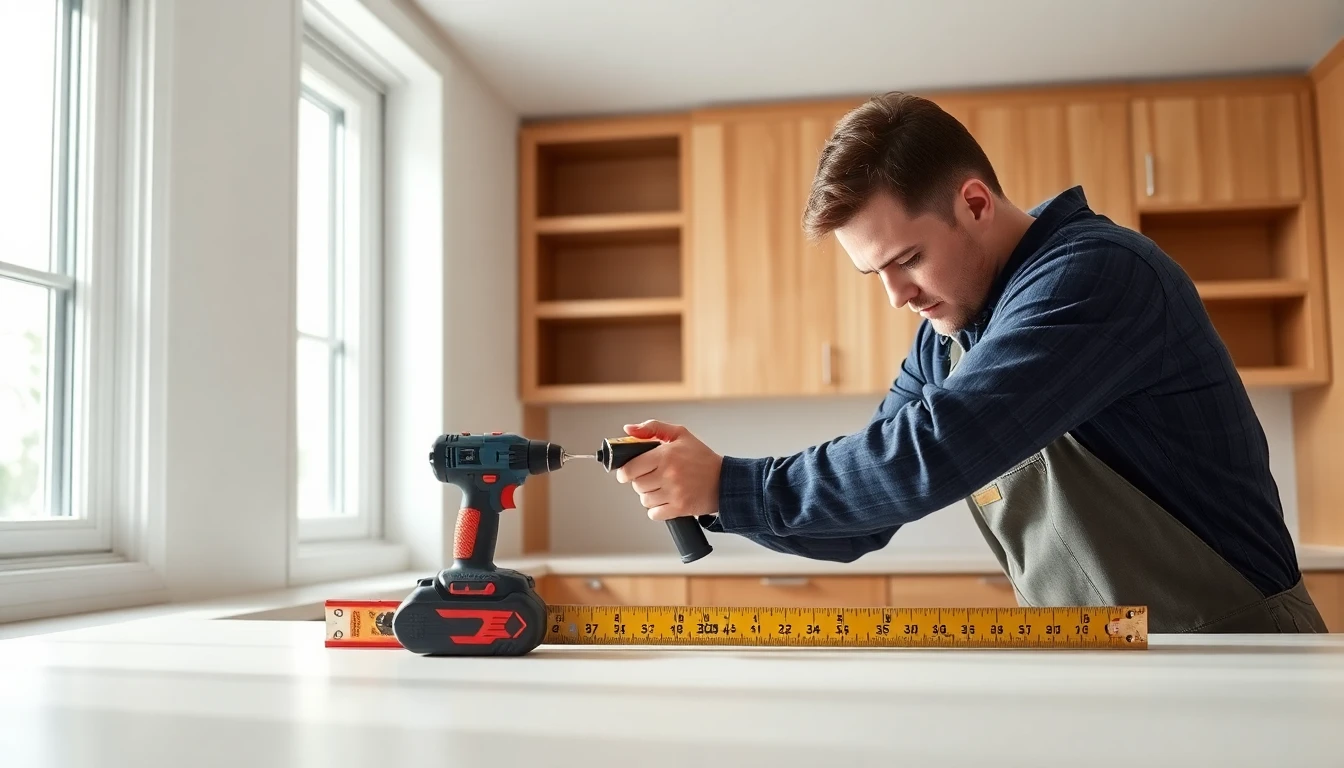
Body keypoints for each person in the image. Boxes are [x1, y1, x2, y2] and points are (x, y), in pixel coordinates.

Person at [613, 91, 1327, 634]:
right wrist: (710, 494)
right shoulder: (944, 338)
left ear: (976, 203)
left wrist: (734, 485)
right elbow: (862, 520)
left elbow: (933, 452)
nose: (897, 297)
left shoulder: (1095, 277)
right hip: (1105, 655)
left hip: (1230, 645)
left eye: (908, 260)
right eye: (877, 275)